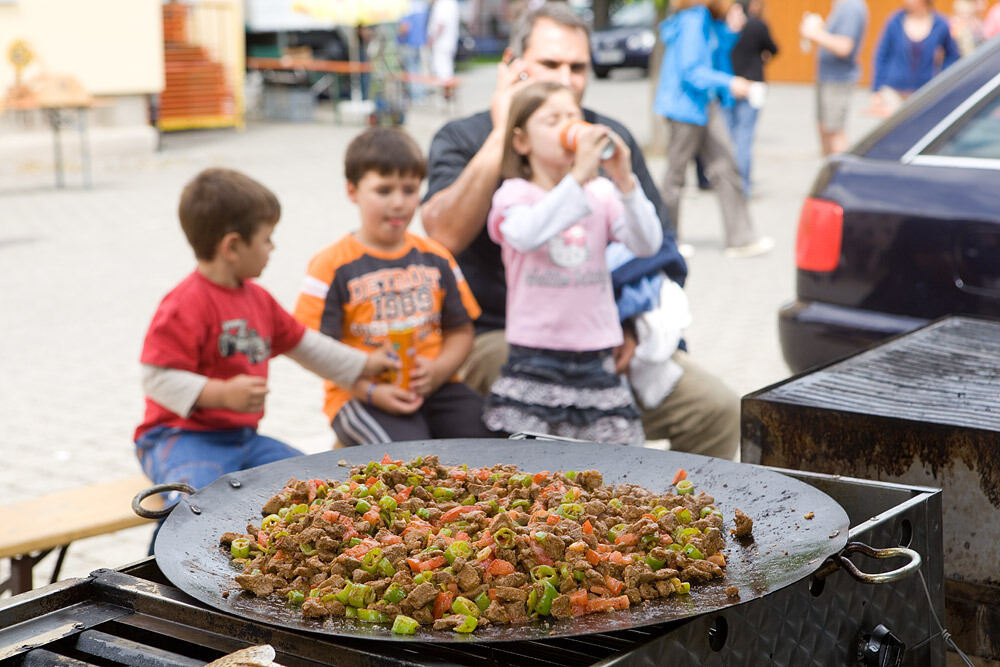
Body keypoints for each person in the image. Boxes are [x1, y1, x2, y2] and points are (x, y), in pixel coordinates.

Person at [422, 3, 741, 460]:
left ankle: (671, 520)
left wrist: (631, 326)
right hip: (501, 336)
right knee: (551, 431)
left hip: (602, 336)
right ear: (514, 65)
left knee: (717, 409)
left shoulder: (608, 136)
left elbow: (657, 248)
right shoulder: (465, 137)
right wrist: (503, 129)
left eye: (578, 67)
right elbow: (442, 237)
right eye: (551, 64)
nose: (567, 78)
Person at [134, 168, 397, 496]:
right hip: (180, 437)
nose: (272, 247)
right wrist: (220, 394)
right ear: (232, 247)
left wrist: (366, 364)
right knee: (192, 500)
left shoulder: (258, 300)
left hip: (243, 438)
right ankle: (163, 549)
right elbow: (156, 378)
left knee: (314, 483)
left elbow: (306, 345)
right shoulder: (184, 304)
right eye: (266, 238)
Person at [482, 81, 662, 444]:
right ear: (521, 142)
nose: (567, 127)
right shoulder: (514, 194)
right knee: (530, 467)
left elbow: (647, 243)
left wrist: (625, 180)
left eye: (573, 117)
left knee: (611, 461)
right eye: (552, 120)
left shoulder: (602, 193)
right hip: (533, 356)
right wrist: (578, 175)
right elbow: (526, 233)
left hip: (597, 354)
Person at [293, 128, 492, 446]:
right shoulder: (331, 265)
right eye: (384, 191)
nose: (399, 203)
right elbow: (317, 352)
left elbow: (461, 330)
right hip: (359, 395)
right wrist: (370, 390)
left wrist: (438, 371)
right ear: (352, 191)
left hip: (436, 387)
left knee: (490, 441)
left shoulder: (436, 257)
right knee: (406, 459)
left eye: (410, 190)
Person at [655, 0, 773, 258]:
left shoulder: (706, 20)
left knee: (726, 166)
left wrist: (731, 31)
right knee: (675, 176)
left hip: (703, 105)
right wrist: (729, 83)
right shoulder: (692, 20)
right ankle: (666, 239)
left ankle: (741, 238)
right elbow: (691, 71)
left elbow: (716, 53)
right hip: (683, 108)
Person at [800, 0, 869, 156]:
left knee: (835, 132)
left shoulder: (851, 6)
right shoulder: (842, 6)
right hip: (829, 77)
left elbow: (844, 46)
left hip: (838, 79)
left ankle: (841, 175)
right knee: (826, 128)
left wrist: (814, 33)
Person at [870, 0, 960, 117]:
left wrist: (942, 77)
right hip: (893, 90)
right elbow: (882, 55)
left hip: (924, 91)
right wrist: (877, 90)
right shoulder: (895, 21)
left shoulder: (940, 24)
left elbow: (952, 56)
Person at [725, 0, 778, 198]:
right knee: (744, 138)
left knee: (730, 137)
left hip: (731, 83)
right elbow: (774, 49)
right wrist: (762, 56)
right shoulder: (758, 25)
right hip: (753, 85)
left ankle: (731, 187)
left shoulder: (725, 25)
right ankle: (743, 188)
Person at [427, 0, 460, 90]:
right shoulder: (452, 3)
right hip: (449, 41)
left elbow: (441, 24)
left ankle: (445, 93)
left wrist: (432, 40)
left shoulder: (442, 5)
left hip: (441, 42)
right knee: (447, 68)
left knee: (442, 70)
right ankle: (447, 93)